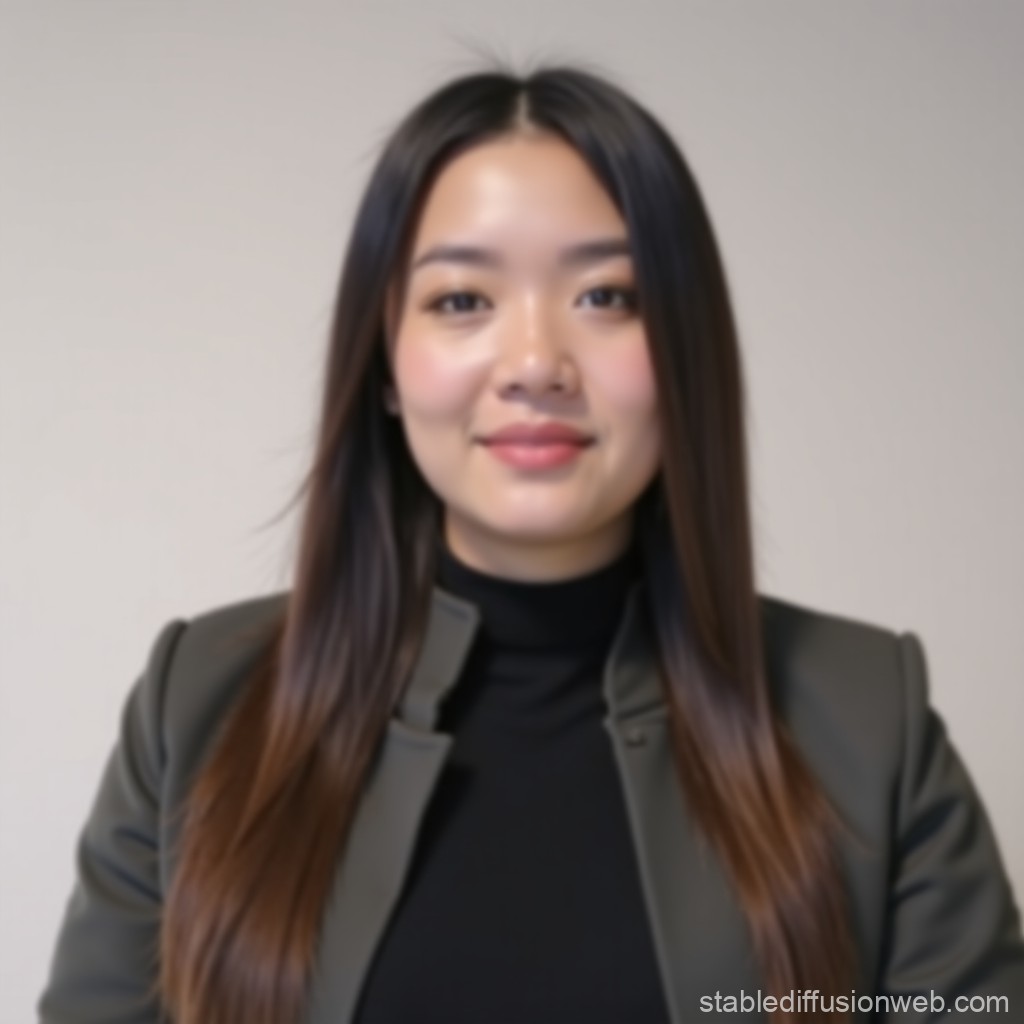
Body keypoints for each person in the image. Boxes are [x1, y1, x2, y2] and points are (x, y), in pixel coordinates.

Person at [38, 62, 1024, 1024]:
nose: (535, 364)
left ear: (685, 350)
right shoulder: (197, 710)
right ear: (384, 363)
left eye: (606, 296)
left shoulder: (865, 720)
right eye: (462, 300)